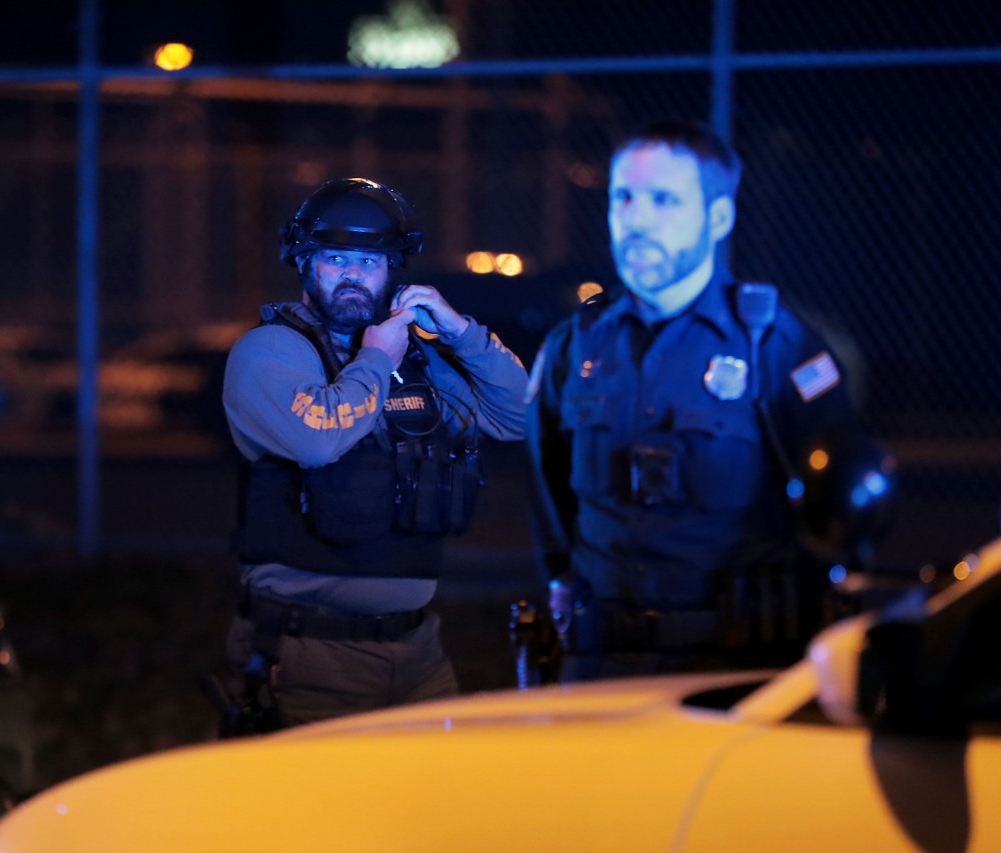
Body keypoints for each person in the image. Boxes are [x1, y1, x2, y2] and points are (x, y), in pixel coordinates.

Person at [526, 119, 866, 681]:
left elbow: (838, 510)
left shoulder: (774, 343)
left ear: (718, 218)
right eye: (623, 197)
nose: (635, 219)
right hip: (598, 663)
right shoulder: (576, 343)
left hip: (730, 667)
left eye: (663, 200)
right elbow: (548, 486)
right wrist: (561, 581)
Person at [219, 177, 527, 730]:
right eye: (336, 258)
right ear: (305, 265)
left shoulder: (416, 361)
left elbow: (519, 418)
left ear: (393, 272)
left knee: (435, 811)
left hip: (419, 651)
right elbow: (318, 439)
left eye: (371, 261)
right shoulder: (270, 351)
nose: (353, 275)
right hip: (309, 653)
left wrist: (459, 334)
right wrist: (377, 359)